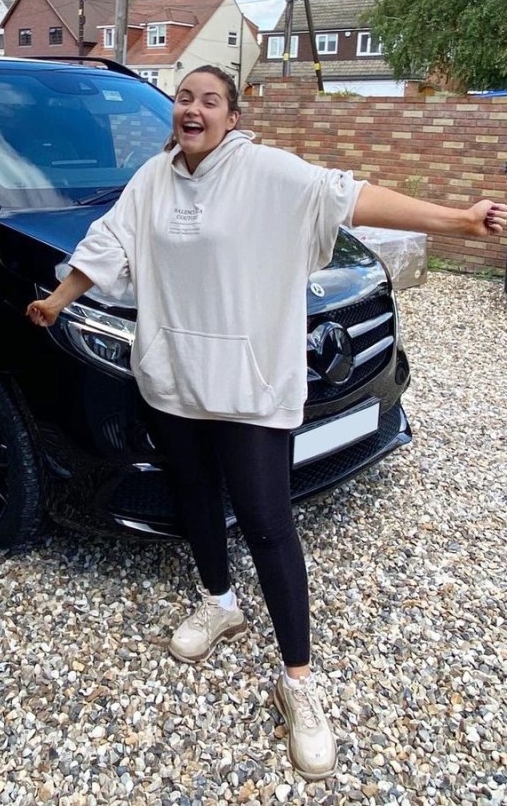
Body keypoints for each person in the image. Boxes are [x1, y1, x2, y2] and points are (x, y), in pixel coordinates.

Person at [26, 65, 507, 780]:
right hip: (176, 379)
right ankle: (219, 602)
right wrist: (59, 300)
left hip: (250, 387)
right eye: (184, 97)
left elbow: (352, 197)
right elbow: (108, 242)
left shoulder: (268, 173)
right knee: (195, 496)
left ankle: (300, 682)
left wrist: (457, 218)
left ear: (232, 114)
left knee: (268, 521)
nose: (193, 108)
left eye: (209, 100)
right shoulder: (153, 180)